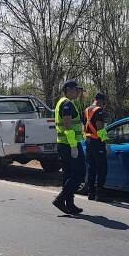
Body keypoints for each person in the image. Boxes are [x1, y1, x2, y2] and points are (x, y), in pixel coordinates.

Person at [52, 80, 86, 215]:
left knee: (68, 174)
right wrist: (73, 146)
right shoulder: (67, 104)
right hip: (69, 144)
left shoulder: (63, 102)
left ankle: (70, 204)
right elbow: (67, 125)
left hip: (64, 143)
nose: (78, 92)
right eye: (76, 90)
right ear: (68, 90)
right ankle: (60, 199)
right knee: (79, 173)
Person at [84, 92, 110, 201]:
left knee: (91, 167)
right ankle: (100, 194)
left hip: (88, 140)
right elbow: (100, 128)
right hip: (97, 142)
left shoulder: (87, 110)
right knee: (102, 168)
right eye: (104, 102)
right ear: (101, 100)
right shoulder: (98, 110)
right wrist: (105, 142)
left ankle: (91, 193)